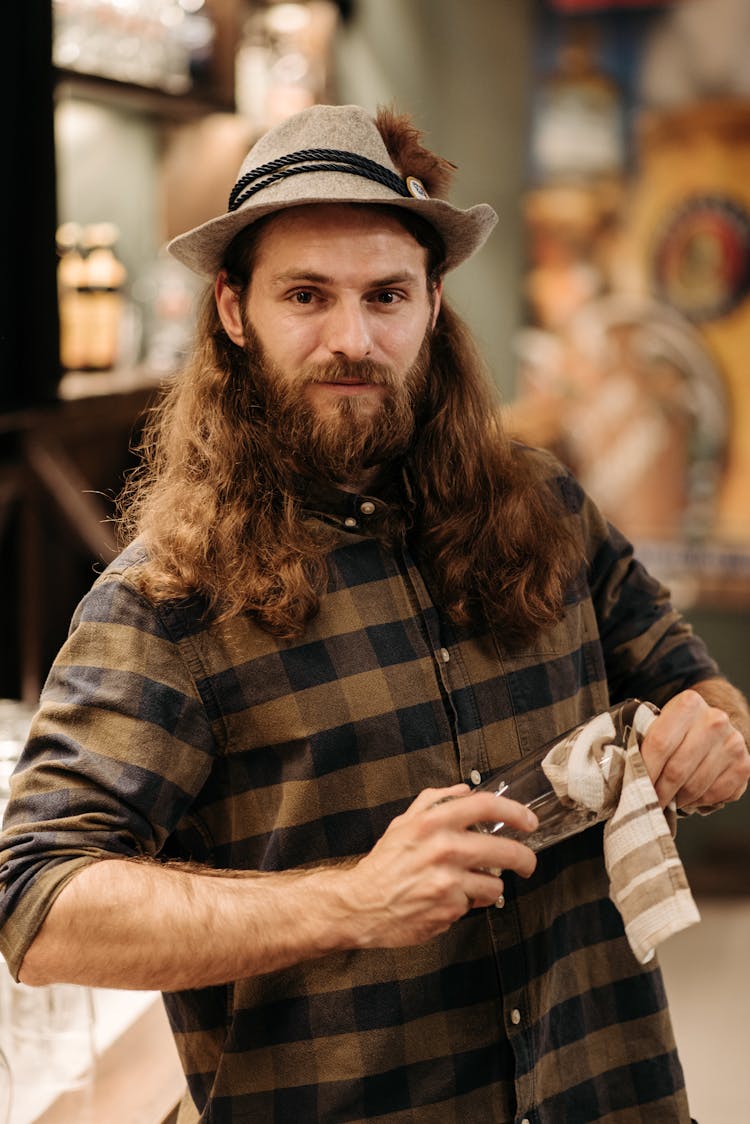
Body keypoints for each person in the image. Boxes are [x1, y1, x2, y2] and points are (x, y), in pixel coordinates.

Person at [1, 104, 748, 1124]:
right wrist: (350, 899)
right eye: (306, 294)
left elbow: (694, 685)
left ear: (434, 304)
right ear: (232, 308)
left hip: (609, 1093)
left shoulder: (549, 510)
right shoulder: (163, 602)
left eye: (386, 294)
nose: (352, 338)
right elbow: (40, 905)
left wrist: (715, 733)